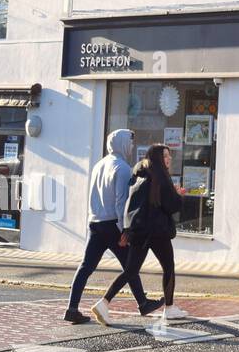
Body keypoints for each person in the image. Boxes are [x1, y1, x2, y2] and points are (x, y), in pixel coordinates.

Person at [65, 129, 161, 324]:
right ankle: (142, 303)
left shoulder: (98, 165)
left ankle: (72, 308)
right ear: (123, 144)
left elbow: (92, 196)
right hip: (113, 225)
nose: (132, 146)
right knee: (130, 265)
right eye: (130, 143)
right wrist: (124, 230)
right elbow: (121, 202)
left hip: (95, 222)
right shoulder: (123, 168)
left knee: (85, 267)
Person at [93, 144, 187, 326]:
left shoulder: (140, 174)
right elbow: (171, 205)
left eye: (169, 156)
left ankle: (103, 303)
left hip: (139, 229)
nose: (168, 159)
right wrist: (178, 195)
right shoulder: (160, 176)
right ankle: (169, 308)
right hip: (156, 230)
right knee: (168, 266)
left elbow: (134, 203)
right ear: (159, 159)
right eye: (165, 156)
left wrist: (127, 229)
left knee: (130, 270)